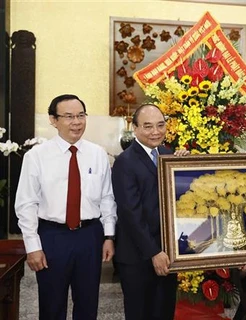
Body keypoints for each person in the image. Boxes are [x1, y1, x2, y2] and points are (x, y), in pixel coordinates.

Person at [15, 94, 117, 320]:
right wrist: (33, 246)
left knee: (88, 304)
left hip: (90, 236)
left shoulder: (97, 154)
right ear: (53, 120)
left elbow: (107, 198)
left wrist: (109, 235)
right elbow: (26, 204)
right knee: (52, 306)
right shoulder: (37, 157)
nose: (77, 122)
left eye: (81, 115)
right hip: (52, 237)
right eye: (69, 116)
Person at [111, 104, 189, 320]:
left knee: (164, 311)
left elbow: (179, 197)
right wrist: (154, 252)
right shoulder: (125, 162)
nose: (156, 131)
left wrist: (185, 165)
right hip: (139, 255)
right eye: (148, 126)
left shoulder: (168, 154)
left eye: (160, 125)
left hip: (167, 252)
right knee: (140, 313)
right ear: (134, 128)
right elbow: (130, 214)